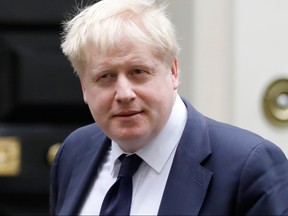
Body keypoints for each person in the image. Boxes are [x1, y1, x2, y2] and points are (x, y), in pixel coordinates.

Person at [50, 0, 288, 215]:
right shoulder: (74, 153)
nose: (124, 94)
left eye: (138, 72)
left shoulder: (249, 166)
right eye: (105, 76)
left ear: (173, 72)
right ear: (84, 87)